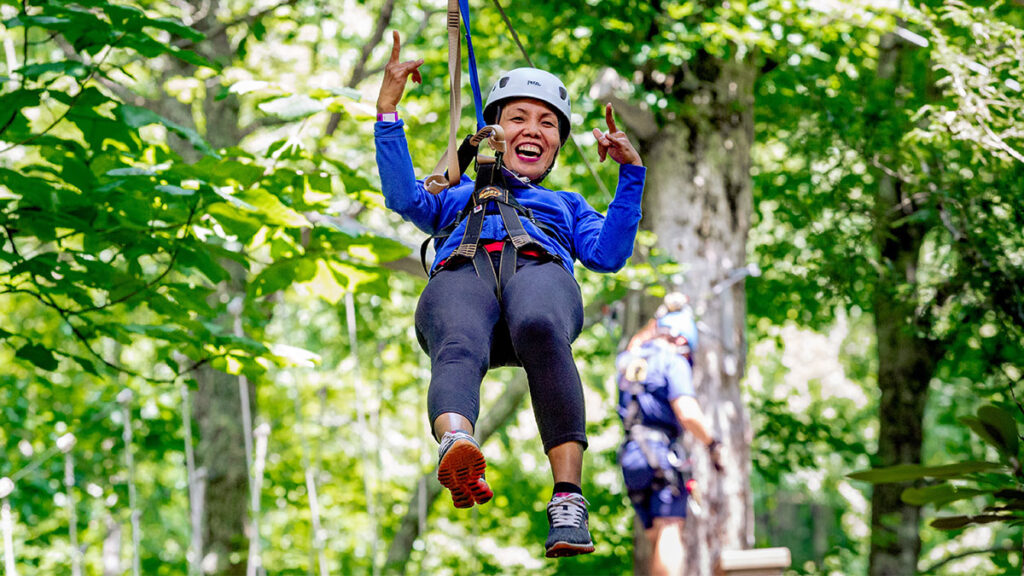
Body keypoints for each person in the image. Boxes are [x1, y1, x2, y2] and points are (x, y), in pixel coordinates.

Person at [374, 31, 645, 558]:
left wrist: (630, 175)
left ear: (557, 148)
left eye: (547, 123)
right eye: (518, 117)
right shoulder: (456, 194)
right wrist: (388, 112)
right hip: (462, 276)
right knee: (455, 336)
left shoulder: (565, 205)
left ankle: (568, 498)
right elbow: (403, 196)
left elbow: (608, 255)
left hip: (539, 276)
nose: (533, 129)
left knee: (540, 322)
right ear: (494, 131)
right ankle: (456, 441)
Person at [617, 293, 722, 576]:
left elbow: (635, 343)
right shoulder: (673, 361)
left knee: (656, 535)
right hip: (659, 453)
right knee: (671, 530)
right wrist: (712, 443)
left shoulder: (629, 361)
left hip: (631, 455)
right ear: (682, 341)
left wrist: (659, 320)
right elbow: (687, 412)